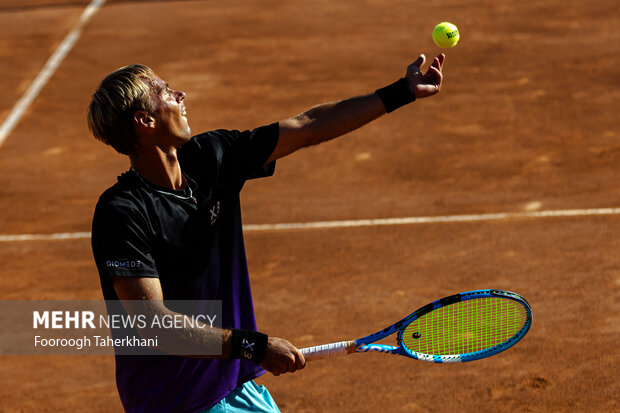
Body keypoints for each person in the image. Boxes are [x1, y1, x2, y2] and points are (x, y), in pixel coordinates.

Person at [88, 53, 445, 413]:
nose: (180, 94)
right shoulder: (122, 213)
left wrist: (403, 91)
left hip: (233, 383)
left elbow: (308, 125)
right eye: (166, 92)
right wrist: (255, 347)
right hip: (177, 400)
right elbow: (156, 325)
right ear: (145, 120)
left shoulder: (212, 156)